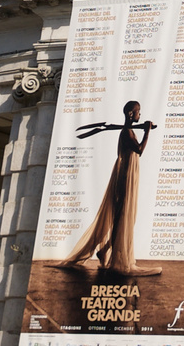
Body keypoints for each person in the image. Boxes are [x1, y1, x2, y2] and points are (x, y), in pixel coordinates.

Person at [55, 100, 160, 275]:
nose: (140, 115)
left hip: (129, 174)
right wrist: (147, 131)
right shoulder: (127, 133)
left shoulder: (128, 131)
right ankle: (122, 262)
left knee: (125, 217)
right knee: (124, 216)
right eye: (138, 112)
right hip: (126, 176)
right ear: (130, 115)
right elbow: (140, 150)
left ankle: (105, 251)